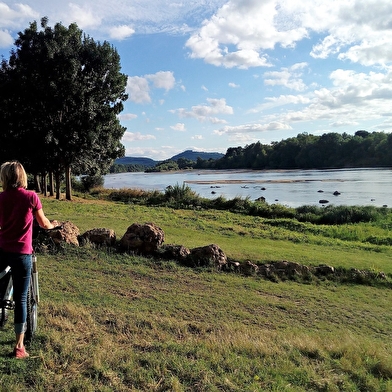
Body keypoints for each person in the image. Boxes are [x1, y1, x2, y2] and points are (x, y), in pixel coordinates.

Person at [0, 161, 56, 359]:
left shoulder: (1, 198)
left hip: (2, 251)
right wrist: (53, 225)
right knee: (22, 298)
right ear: (22, 176)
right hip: (22, 253)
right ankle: (19, 347)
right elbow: (44, 223)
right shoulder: (31, 197)